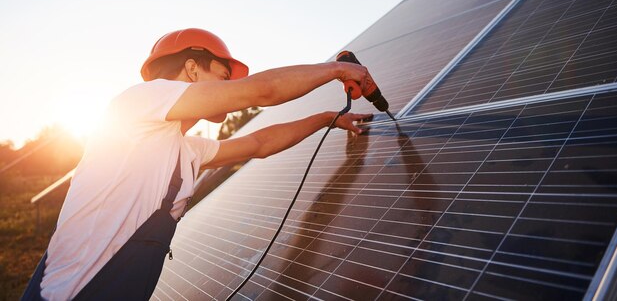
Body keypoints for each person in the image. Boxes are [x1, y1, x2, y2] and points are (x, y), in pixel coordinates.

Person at [22, 28, 371, 300]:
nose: (230, 85)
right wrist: (338, 69)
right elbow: (260, 91)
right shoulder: (138, 102)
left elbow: (259, 144)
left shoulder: (185, 151)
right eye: (223, 74)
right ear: (191, 68)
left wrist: (327, 118)